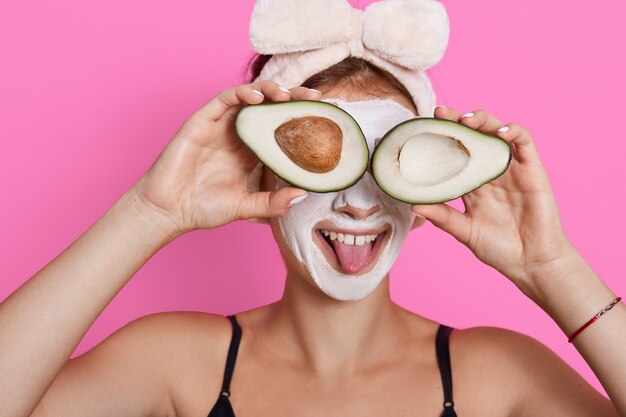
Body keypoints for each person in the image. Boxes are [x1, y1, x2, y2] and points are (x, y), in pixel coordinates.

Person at [1, 1, 624, 416]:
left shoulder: (497, 375)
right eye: (322, 157)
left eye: (390, 160)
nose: (359, 203)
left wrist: (551, 266)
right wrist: (149, 212)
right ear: (262, 168)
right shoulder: (176, 362)